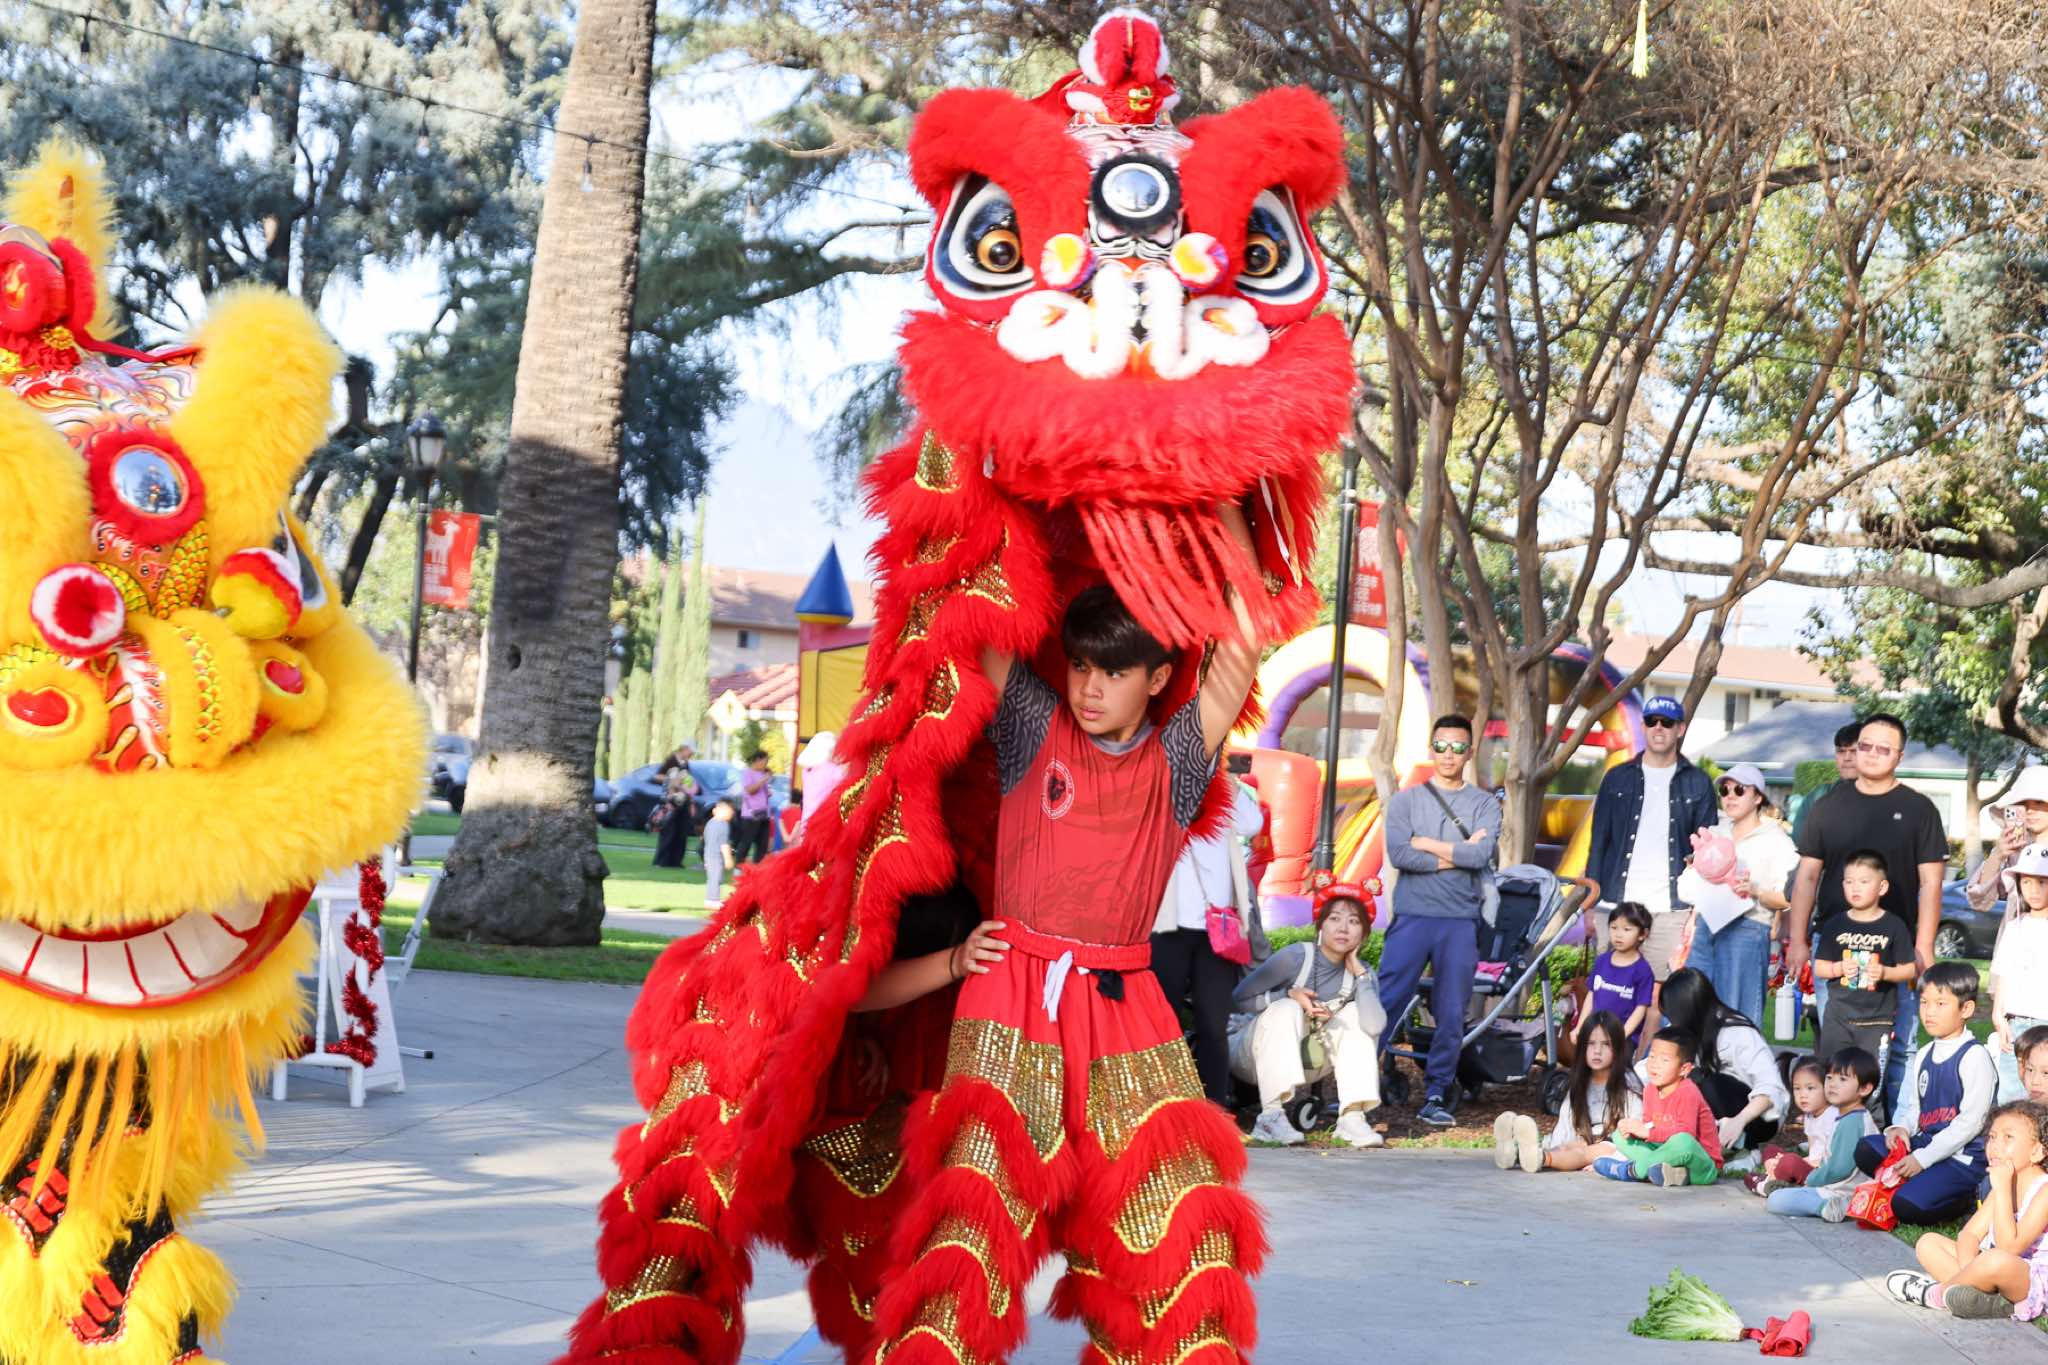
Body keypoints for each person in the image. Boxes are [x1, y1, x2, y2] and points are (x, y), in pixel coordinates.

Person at [866, 528, 1273, 1358]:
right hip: (1010, 997)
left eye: (1114, 671)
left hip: (1127, 1009)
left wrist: (1231, 504)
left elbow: (1242, 648)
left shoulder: (1177, 758)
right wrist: (976, 482)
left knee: (1179, 1235)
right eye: (1081, 664)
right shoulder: (1034, 727)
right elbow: (974, 616)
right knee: (969, 1232)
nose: (1089, 686)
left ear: (1157, 678)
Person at [1786, 712, 1948, 1114]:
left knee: (1901, 1044)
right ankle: (1835, 1130)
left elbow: (1931, 883)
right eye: (1865, 746)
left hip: (1898, 947)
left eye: (1883, 749)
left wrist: (1924, 947)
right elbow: (1807, 877)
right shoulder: (1827, 807)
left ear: (1899, 755)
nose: (1872, 754)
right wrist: (1798, 940)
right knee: (1836, 1044)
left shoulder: (1919, 809)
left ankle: (1900, 1127)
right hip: (1835, 943)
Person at [1379, 713, 1500, 1127]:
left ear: (1469, 752)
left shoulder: (1484, 803)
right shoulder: (1406, 801)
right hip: (1413, 916)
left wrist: (1426, 843)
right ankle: (1355, 1088)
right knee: (1386, 1002)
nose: (1449, 754)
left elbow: (1480, 856)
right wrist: (1457, 854)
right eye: (1442, 746)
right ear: (1431, 749)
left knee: (1450, 1011)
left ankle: (1436, 1094)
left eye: (1458, 747)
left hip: (1460, 921)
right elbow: (1401, 855)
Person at [1228, 885, 1385, 1148]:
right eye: (1334, 918)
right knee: (1287, 1008)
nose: (1343, 928)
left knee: (1355, 1012)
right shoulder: (1296, 957)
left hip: (1309, 1062)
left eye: (1354, 921)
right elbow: (1237, 999)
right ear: (1320, 925)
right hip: (1250, 1055)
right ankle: (1270, 1117)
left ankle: (1352, 1118)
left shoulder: (1363, 974)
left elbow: (1374, 1025)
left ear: (1364, 933)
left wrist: (1360, 975)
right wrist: (1287, 995)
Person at [1852, 960, 1998, 1225]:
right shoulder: (1924, 1054)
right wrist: (1901, 1129)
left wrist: (1922, 1159)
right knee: (1866, 1149)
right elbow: (1915, 1109)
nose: (1929, 1012)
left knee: (1906, 1206)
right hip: (1926, 1145)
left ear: (1966, 1009)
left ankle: (1966, 1199)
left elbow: (1971, 1124)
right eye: (1924, 1002)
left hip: (1961, 1158)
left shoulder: (1974, 1057)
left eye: (1940, 1004)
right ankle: (1917, 1182)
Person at [1587, 695, 1717, 985]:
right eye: (1651, 721)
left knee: (1662, 993)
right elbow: (1598, 842)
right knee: (1610, 991)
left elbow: (1707, 852)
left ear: (1680, 729)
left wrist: (1697, 908)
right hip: (1614, 904)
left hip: (1672, 909)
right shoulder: (1616, 777)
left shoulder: (1698, 782)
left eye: (1667, 722)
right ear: (1643, 727)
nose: (1659, 727)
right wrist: (1589, 902)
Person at [1154, 777, 1264, 1105]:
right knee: (1162, 1024)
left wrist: (1223, 778)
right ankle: (1161, 1107)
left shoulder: (1221, 791)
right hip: (1165, 927)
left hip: (1216, 933)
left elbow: (1253, 823)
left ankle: (1214, 1109)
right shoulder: (1162, 784)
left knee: (1214, 1026)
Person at [1886, 1101, 2048, 1319]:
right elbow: (1969, 1234)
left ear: (2037, 1152)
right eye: (1992, 1137)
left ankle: (1935, 1294)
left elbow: (2010, 1249)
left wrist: (2001, 1190)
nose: (1995, 1146)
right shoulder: (2004, 1185)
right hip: (1995, 1269)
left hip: (2033, 1279)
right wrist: (1971, 1270)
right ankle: (1990, 1300)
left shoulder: (2043, 1190)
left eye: (2008, 1137)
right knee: (1928, 1243)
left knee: (1995, 1260)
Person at [1678, 762, 1798, 1026]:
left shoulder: (1777, 840)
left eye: (1740, 790)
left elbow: (1790, 897)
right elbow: (1689, 888)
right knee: (1691, 1010)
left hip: (1748, 930)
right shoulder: (1714, 832)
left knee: (1736, 1018)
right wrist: (1694, 870)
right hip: (1706, 927)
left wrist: (1755, 891)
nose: (1730, 796)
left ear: (1758, 797)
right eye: (1724, 790)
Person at [1812, 850, 1917, 1089]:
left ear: (1882, 887)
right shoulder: (1836, 924)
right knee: (1833, 1075)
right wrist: (1839, 968)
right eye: (1849, 882)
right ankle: (1833, 1113)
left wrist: (1885, 973)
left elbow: (1909, 970)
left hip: (1876, 1021)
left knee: (1870, 1082)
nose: (1855, 888)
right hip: (1838, 1017)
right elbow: (1819, 967)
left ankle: (1871, 1113)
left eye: (1863, 881)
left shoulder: (1893, 926)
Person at [1654, 967, 1790, 1152]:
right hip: (1711, 1114)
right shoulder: (1682, 1030)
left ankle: (1744, 1148)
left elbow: (1771, 1087)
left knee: (1701, 1079)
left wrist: (1739, 1121)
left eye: (1673, 1015)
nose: (1671, 1021)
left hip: (1754, 1118)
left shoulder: (1738, 1033)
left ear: (1687, 1011)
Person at [1493, 1009, 1641, 1173]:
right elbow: (1566, 1123)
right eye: (1591, 1044)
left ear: (1618, 1048)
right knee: (1567, 1147)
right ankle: (1515, 1154)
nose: (1597, 1051)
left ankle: (1542, 1158)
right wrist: (1557, 1145)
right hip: (1587, 1139)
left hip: (1615, 1145)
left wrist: (1610, 1162)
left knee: (1583, 1153)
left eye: (1606, 1044)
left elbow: (1637, 1127)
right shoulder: (1581, 1082)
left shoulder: (1627, 1083)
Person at [1591, 1026, 1723, 1186]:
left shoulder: (1688, 1091)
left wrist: (1647, 1132)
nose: (1655, 1064)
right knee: (1620, 1135)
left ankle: (1631, 1170)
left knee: (1683, 1141)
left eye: (1664, 1060)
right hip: (1667, 1155)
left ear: (1684, 1069)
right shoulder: (1650, 1090)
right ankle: (1669, 1173)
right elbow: (1650, 1126)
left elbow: (1686, 1133)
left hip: (1701, 1165)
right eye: (1652, 1056)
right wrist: (1634, 1130)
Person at [1763, 1046, 1880, 1217]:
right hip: (1841, 1187)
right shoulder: (1852, 1116)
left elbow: (1839, 1169)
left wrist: (1810, 1179)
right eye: (1829, 1077)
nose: (1832, 1084)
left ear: (1864, 1089)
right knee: (1781, 1194)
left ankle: (1829, 1207)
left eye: (1842, 1079)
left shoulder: (1852, 1122)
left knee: (1776, 1200)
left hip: (1845, 1191)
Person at [1992, 844, 2048, 1101]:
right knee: (2011, 1095)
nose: (2034, 890)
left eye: (2042, 882)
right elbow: (2004, 972)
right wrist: (1999, 1014)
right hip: (2016, 1025)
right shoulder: (2015, 927)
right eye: (2027, 882)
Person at [1967, 767, 2048, 913]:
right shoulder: (2015, 851)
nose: (2030, 810)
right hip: (2016, 926)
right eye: (2023, 804)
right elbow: (1979, 902)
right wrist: (1997, 855)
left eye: (2039, 802)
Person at [1745, 1056, 1829, 1193]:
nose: (1802, 1095)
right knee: (1770, 1150)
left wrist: (1797, 1162)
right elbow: (1813, 1152)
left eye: (1810, 1088)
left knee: (1790, 1163)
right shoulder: (1809, 1116)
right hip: (1810, 1165)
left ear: (1828, 1087)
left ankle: (1769, 1182)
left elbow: (1831, 1161)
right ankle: (1776, 1180)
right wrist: (1779, 1161)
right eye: (1797, 1089)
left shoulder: (1834, 1117)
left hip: (1823, 1174)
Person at [1586, 902, 1656, 1054]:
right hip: (1595, 1033)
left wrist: (1620, 1036)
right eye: (1614, 927)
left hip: (1624, 1039)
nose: (1618, 934)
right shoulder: (1602, 961)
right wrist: (1581, 1027)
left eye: (1626, 929)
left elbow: (1641, 1009)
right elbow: (1591, 994)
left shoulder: (1643, 970)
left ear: (1643, 934)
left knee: (1617, 1069)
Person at [1791, 721, 1864, 845]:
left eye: (1854, 751)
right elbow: (1800, 842)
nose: (1847, 758)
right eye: (1841, 751)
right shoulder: (1818, 797)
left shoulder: (1884, 797)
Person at [651, 745, 698, 869]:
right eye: (690, 753)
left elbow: (688, 781)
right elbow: (658, 776)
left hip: (684, 800)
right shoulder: (671, 761)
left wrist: (686, 784)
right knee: (668, 831)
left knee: (682, 832)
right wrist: (674, 780)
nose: (691, 756)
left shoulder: (686, 764)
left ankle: (676, 861)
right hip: (671, 802)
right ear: (684, 749)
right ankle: (661, 861)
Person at [732, 750, 775, 865]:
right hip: (751, 815)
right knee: (747, 842)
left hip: (764, 814)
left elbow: (762, 791)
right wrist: (764, 779)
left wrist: (767, 792)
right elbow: (750, 790)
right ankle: (739, 865)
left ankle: (757, 867)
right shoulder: (747, 773)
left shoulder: (762, 774)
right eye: (765, 761)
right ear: (757, 760)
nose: (766, 764)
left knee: (763, 844)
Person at [701, 800, 734, 911]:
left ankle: (710, 899)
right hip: (716, 856)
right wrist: (728, 858)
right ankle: (713, 900)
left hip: (708, 855)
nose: (731, 814)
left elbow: (705, 839)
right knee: (716, 878)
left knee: (712, 878)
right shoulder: (723, 825)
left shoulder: (710, 823)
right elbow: (724, 844)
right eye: (729, 811)